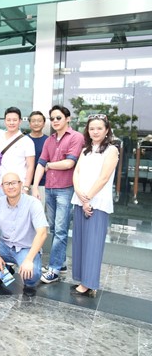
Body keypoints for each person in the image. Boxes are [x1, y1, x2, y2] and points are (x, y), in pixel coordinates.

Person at [0, 172, 48, 297]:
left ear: (21, 184)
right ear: (2, 187)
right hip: (5, 245)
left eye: (14, 183)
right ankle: (5, 274)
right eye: (7, 184)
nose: (11, 186)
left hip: (26, 248)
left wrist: (29, 259)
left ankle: (29, 284)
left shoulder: (33, 203)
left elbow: (42, 233)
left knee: (32, 273)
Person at [32, 105, 84, 284]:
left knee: (61, 230)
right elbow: (41, 163)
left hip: (65, 189)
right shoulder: (50, 140)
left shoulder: (76, 137)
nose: (55, 121)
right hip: (50, 188)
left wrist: (50, 165)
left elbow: (69, 163)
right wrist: (34, 187)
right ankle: (60, 264)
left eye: (58, 118)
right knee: (54, 228)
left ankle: (53, 269)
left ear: (68, 118)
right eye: (52, 118)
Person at [70, 114, 119, 297]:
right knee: (80, 242)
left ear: (106, 130)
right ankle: (81, 278)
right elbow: (76, 173)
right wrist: (80, 194)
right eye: (92, 128)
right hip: (80, 200)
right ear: (87, 131)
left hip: (97, 203)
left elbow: (104, 177)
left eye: (99, 128)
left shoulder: (111, 150)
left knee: (93, 244)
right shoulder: (85, 150)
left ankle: (89, 283)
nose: (95, 132)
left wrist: (88, 198)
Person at [0, 107, 35, 200]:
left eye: (14, 120)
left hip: (18, 186)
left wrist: (26, 187)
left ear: (20, 121)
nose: (11, 123)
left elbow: (30, 166)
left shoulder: (27, 141)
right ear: (5, 121)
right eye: (8, 120)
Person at [28, 111, 48, 208]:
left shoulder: (48, 141)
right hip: (25, 183)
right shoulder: (24, 140)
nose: (36, 123)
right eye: (33, 121)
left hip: (42, 184)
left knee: (39, 212)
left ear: (44, 123)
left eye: (39, 121)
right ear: (29, 123)